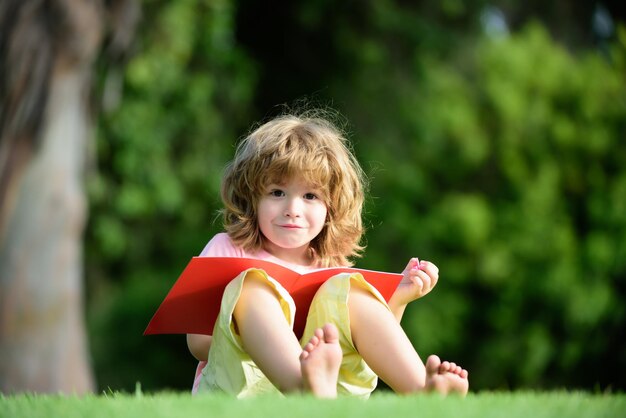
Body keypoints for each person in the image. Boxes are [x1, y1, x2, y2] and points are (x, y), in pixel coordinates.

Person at [187, 111, 469, 398]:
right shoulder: (227, 248)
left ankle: (422, 391)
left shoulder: (330, 266)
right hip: (242, 388)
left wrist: (399, 299)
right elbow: (198, 343)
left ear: (331, 208)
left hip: (328, 390)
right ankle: (304, 385)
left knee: (350, 290)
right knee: (252, 285)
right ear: (251, 197)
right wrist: (259, 332)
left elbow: (362, 344)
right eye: (276, 192)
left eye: (310, 196)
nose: (292, 209)